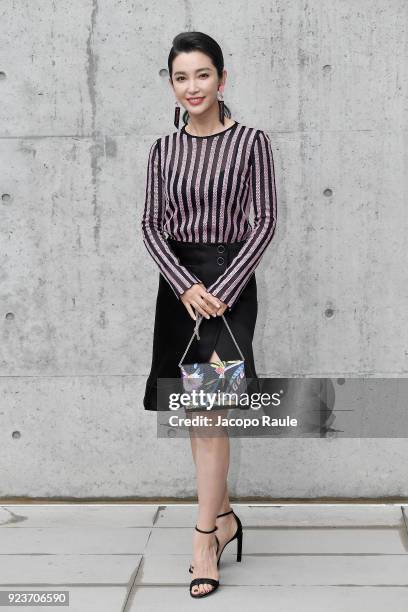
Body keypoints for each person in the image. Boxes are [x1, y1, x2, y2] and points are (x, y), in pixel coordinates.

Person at [141, 31, 277, 598]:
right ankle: (223, 519)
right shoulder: (163, 150)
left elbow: (264, 221)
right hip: (179, 291)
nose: (192, 87)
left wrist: (218, 288)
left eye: (201, 74)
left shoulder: (251, 142)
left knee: (208, 412)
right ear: (171, 86)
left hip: (230, 287)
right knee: (194, 414)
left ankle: (203, 538)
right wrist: (185, 287)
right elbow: (151, 225)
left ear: (223, 77)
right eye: (181, 77)